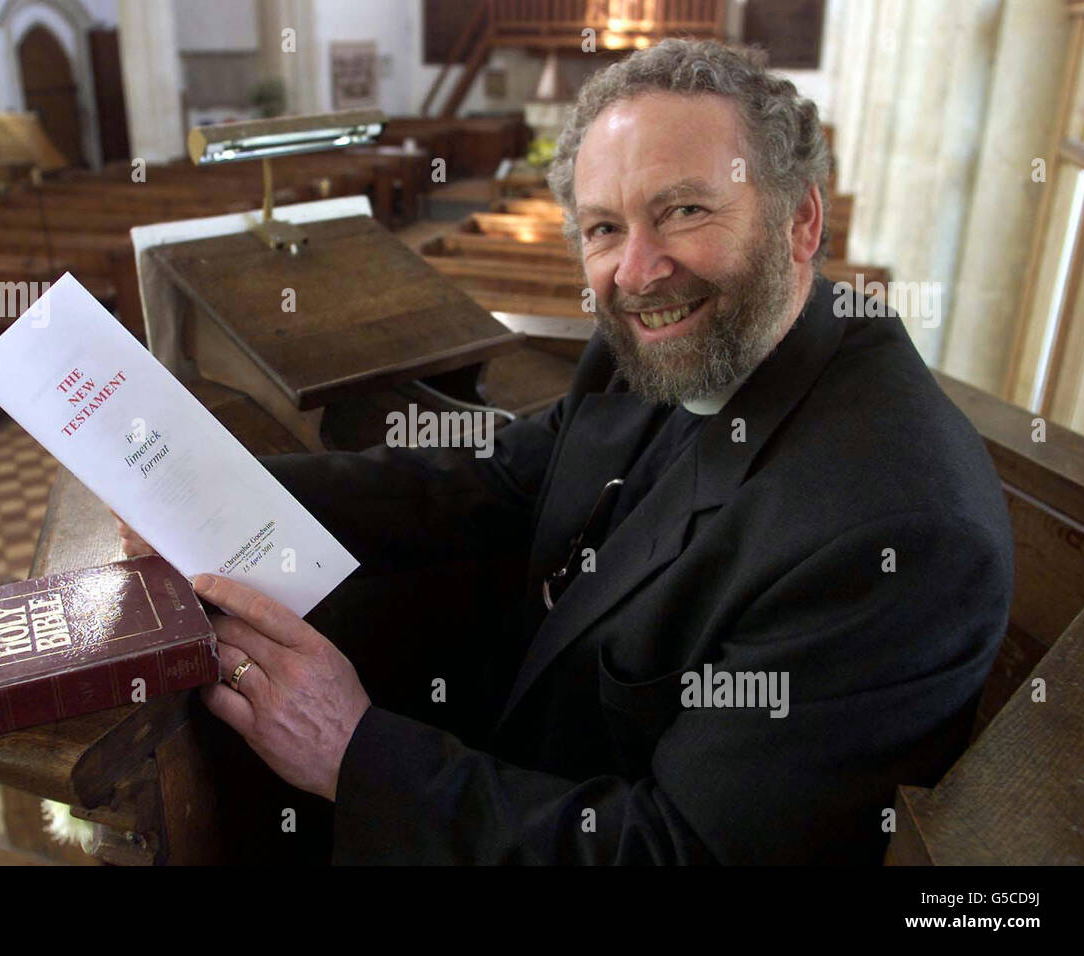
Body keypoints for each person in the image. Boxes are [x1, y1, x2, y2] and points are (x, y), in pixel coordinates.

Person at [117, 39, 1013, 864]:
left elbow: (673, 851)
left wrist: (354, 756)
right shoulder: (677, 340)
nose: (637, 270)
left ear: (801, 221)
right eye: (604, 228)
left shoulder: (897, 537)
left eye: (686, 210)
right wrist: (215, 492)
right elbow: (493, 477)